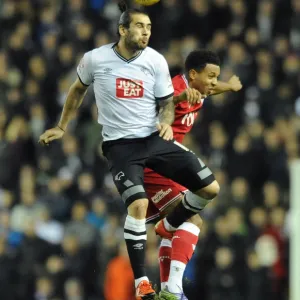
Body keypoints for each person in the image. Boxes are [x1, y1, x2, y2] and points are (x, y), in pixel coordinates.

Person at [39, 2, 220, 299]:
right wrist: (62, 126)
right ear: (122, 29)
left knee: (211, 188)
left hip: (154, 139)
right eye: (139, 26)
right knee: (137, 204)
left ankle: (170, 224)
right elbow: (77, 90)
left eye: (149, 27)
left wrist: (164, 123)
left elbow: (166, 103)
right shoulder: (95, 59)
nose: (146, 32)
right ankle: (142, 283)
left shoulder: (156, 61)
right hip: (121, 147)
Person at [144, 49, 242, 300]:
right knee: (192, 220)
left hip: (167, 164)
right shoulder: (174, 87)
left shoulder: (200, 88)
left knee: (176, 225)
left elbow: (210, 89)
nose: (213, 82)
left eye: (216, 77)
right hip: (155, 161)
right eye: (210, 76)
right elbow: (160, 102)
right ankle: (174, 289)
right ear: (192, 74)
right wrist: (178, 100)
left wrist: (228, 86)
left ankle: (168, 290)